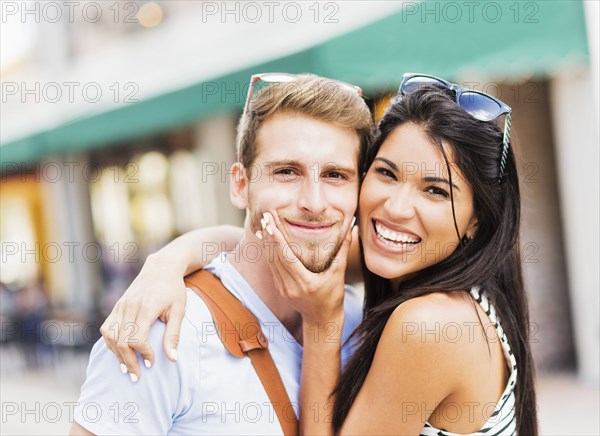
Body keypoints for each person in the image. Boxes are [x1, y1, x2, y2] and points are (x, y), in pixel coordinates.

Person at [100, 74, 538, 435]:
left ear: (478, 220)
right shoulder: (434, 277)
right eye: (386, 174)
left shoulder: (428, 325)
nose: (398, 208)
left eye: (435, 191)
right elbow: (269, 240)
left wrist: (322, 323)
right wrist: (168, 262)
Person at [70, 73, 374, 435]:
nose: (313, 202)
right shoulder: (162, 333)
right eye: (286, 172)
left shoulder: (362, 323)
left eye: (335, 175)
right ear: (241, 185)